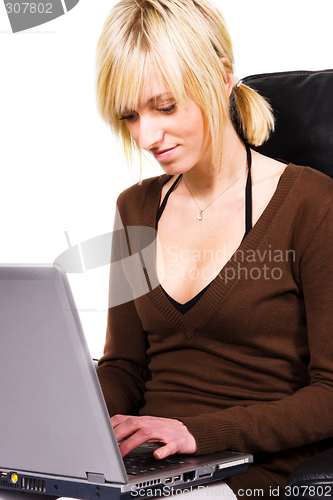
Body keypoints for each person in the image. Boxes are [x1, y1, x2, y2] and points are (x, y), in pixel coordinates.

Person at [95, 0, 333, 498]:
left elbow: (330, 394)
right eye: (130, 115)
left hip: (251, 468)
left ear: (222, 78)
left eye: (165, 107)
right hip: (147, 463)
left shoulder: (313, 204)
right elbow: (123, 367)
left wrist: (198, 434)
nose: (146, 136)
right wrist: (73, 418)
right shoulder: (135, 209)